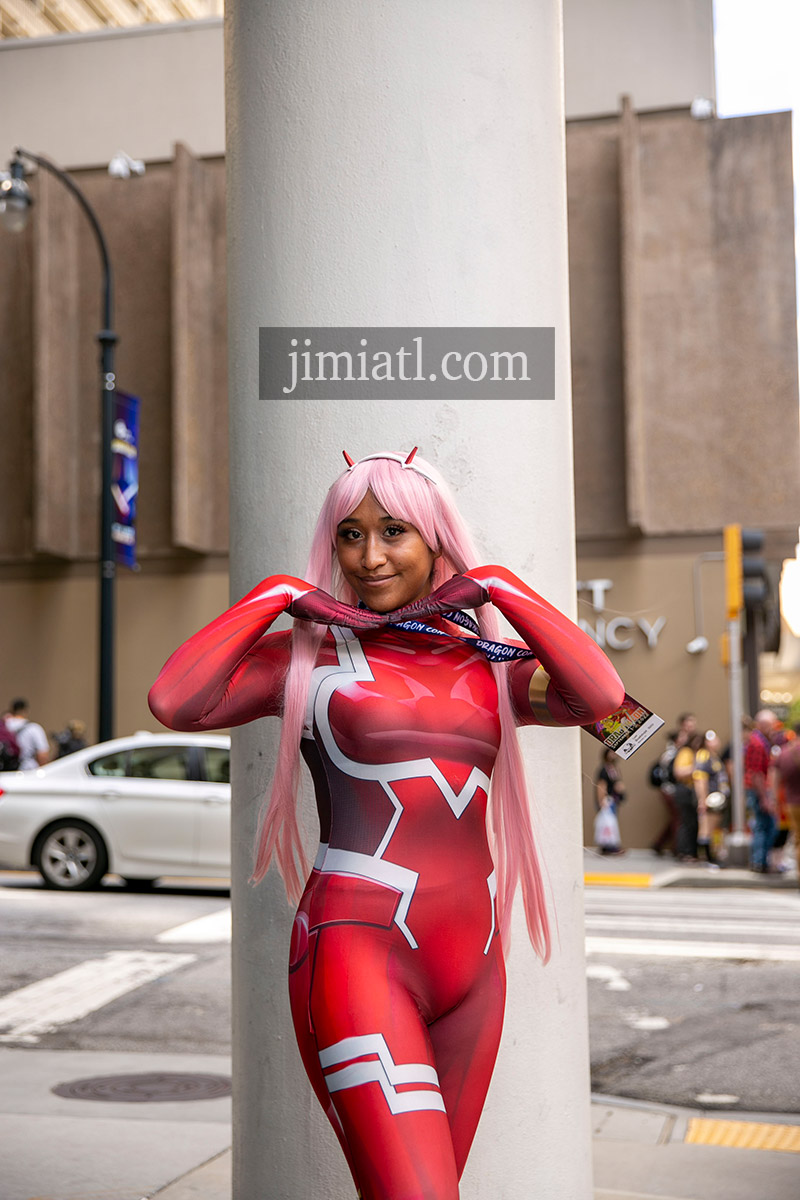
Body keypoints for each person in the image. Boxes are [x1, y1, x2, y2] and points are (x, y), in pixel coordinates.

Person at [148, 449, 625, 1200]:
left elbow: (603, 697)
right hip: (357, 953)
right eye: (349, 534)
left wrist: (497, 585)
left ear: (437, 538)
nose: (368, 556)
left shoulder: (491, 664)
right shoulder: (308, 660)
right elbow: (176, 701)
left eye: (394, 530)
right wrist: (276, 595)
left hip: (475, 968)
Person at [744, 709, 778, 873]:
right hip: (758, 790)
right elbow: (756, 773)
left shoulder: (759, 741)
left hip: (758, 789)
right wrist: (764, 797)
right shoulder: (758, 743)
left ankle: (760, 860)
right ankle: (759, 861)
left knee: (764, 825)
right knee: (766, 825)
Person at [692, 730, 728, 866]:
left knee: (714, 828)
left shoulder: (714, 756)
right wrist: (702, 799)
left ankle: (713, 854)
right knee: (706, 828)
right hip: (710, 799)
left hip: (717, 799)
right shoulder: (704, 755)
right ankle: (706, 857)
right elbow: (700, 779)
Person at [774, 723, 800, 883]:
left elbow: (774, 777)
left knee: (797, 838)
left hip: (791, 802)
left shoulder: (784, 753)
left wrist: (775, 799)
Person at [672, 731, 703, 862]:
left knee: (693, 822)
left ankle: (692, 852)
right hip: (685, 790)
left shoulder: (698, 753)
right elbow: (679, 772)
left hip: (692, 791)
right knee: (687, 822)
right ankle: (685, 852)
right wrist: (698, 767)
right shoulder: (686, 752)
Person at [4, 698, 50, 771]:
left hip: (5, 771)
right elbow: (42, 755)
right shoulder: (34, 728)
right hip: (27, 770)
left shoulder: (4, 726)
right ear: (26, 711)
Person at [594, 748, 625, 854]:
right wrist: (601, 800)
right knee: (608, 823)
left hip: (614, 799)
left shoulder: (614, 769)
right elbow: (601, 785)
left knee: (611, 823)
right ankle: (609, 846)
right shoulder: (604, 769)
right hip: (607, 800)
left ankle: (607, 846)